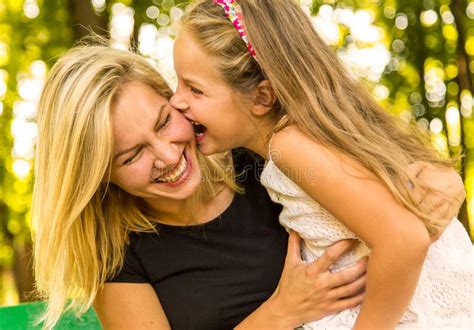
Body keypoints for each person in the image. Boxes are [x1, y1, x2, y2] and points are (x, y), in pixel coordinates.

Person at [32, 44, 464, 329]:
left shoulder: (261, 159)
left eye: (164, 121)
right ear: (99, 177)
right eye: (131, 156)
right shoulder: (121, 256)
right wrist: (279, 312)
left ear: (177, 99)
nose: (166, 156)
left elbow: (408, 187)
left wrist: (441, 182)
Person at [169, 0, 473, 328]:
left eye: (195, 89)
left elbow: (403, 239)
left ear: (261, 97)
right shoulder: (307, 138)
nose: (176, 100)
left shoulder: (290, 146)